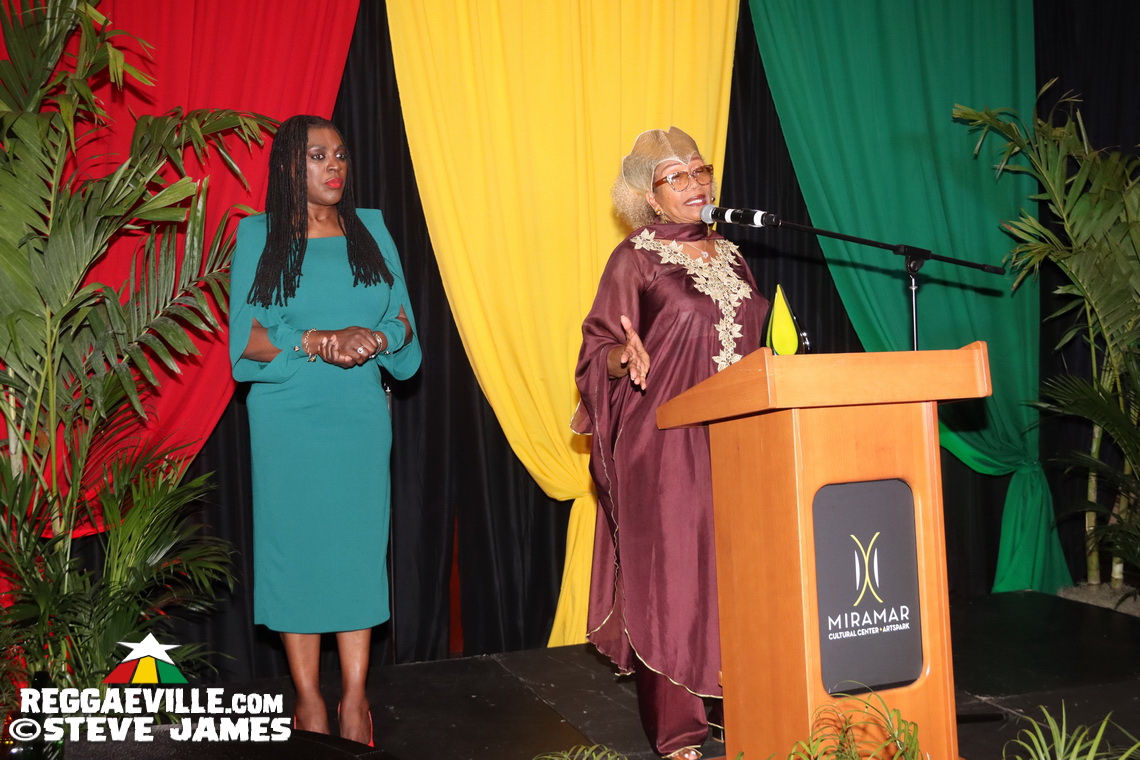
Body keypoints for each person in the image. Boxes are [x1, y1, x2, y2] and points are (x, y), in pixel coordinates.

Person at [572, 127, 769, 760]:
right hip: (664, 447)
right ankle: (679, 731)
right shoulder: (637, 257)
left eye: (699, 170)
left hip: (740, 439)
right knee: (676, 582)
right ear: (648, 197)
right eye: (674, 176)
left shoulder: (734, 254)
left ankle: (741, 706)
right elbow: (595, 350)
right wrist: (617, 358)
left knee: (737, 578)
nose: (693, 184)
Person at [228, 115, 421, 747]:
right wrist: (316, 339)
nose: (334, 166)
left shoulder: (373, 231)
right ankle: (309, 699)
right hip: (288, 421)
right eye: (317, 156)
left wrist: (376, 338)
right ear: (290, 167)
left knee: (357, 553)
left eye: (340, 154)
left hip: (359, 420)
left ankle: (356, 699)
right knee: (297, 554)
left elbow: (405, 324)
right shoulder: (259, 237)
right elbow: (249, 341)